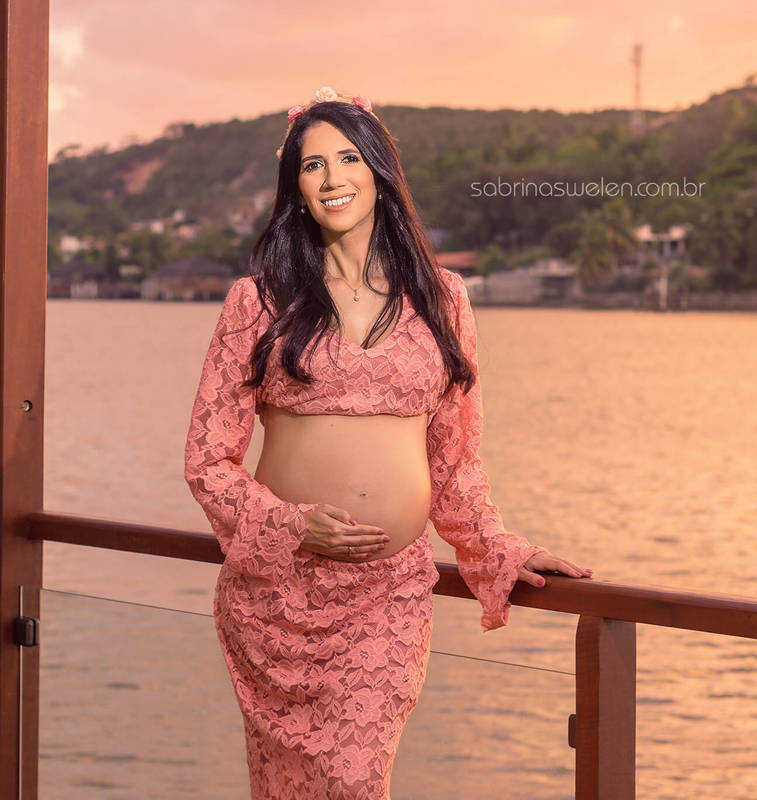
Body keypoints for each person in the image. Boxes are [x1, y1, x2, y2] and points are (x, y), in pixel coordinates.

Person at [184, 86, 592, 800]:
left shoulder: (441, 298)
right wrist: (291, 524)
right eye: (312, 166)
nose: (333, 178)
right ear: (296, 189)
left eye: (348, 158)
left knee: (353, 778)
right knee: (287, 789)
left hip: (387, 595)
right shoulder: (259, 301)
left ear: (379, 170)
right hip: (279, 597)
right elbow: (208, 461)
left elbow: (453, 457)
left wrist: (496, 547)